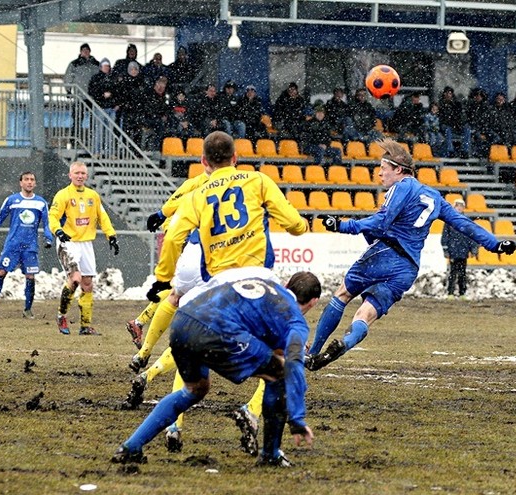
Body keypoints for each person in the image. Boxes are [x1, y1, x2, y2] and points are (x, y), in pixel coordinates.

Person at [127, 131, 309, 452]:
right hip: (252, 285)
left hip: (208, 290)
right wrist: (289, 223)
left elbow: (171, 238)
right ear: (236, 158)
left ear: (203, 162)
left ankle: (146, 434)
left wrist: (162, 276)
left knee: (195, 375)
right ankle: (266, 440)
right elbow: (296, 225)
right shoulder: (257, 181)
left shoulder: (196, 192)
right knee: (280, 360)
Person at [304, 139, 516, 371]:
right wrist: (495, 245)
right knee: (366, 314)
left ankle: (312, 353)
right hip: (407, 269)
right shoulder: (435, 197)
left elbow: (382, 222)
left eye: (383, 169)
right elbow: (464, 224)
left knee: (343, 295)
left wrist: (343, 225)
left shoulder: (402, 186)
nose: (379, 175)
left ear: (398, 169)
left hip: (384, 255)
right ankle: (345, 343)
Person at [111, 271, 321, 467]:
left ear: (286, 284)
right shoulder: (295, 319)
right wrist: (296, 418)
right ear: (313, 302)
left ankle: (131, 447)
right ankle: (270, 454)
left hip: (183, 321)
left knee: (195, 389)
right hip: (218, 332)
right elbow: (293, 362)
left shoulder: (264, 284)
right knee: (279, 373)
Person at [48, 161, 119, 336]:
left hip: (86, 243)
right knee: (75, 279)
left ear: (86, 176)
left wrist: (111, 235)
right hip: (68, 242)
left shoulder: (93, 196)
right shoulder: (63, 195)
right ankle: (61, 315)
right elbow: (53, 216)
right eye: (76, 173)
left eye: (83, 173)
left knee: (87, 284)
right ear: (70, 175)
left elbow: (102, 216)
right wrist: (57, 231)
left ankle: (85, 325)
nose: (80, 176)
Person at [0, 172, 54, 319]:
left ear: (35, 183)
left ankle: (27, 309)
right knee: (1, 272)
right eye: (26, 179)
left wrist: (48, 238)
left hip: (30, 246)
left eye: (32, 180)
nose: (29, 182)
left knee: (30, 277)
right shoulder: (12, 200)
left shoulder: (40, 202)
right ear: (21, 183)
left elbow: (47, 223)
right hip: (12, 245)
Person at [441, 198, 479, 299]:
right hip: (453, 252)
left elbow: (471, 236)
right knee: (452, 273)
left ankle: (462, 293)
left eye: (461, 206)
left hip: (463, 251)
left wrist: (473, 249)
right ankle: (450, 293)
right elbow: (445, 236)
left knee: (462, 274)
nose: (459, 208)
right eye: (457, 206)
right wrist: (446, 250)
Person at [87, 58, 119, 156]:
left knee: (110, 131)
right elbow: (92, 92)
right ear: (101, 67)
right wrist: (102, 96)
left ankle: (110, 152)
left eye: (108, 66)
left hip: (111, 108)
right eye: (105, 66)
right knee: (99, 130)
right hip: (100, 107)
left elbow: (118, 91)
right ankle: (97, 151)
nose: (107, 68)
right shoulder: (96, 78)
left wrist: (116, 103)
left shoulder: (113, 78)